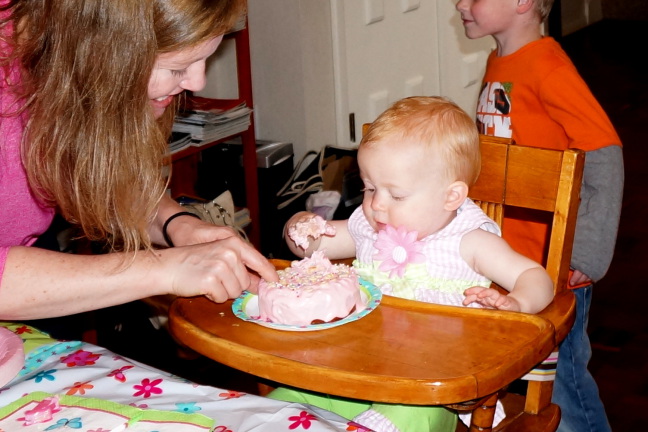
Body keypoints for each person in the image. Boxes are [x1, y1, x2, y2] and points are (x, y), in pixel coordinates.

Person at [0, 1, 365, 431]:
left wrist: (177, 225)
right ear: (101, 46)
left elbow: (105, 172)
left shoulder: (64, 60)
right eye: (179, 66)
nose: (198, 80)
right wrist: (160, 269)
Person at [271, 96, 555, 432]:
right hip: (352, 370)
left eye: (396, 195)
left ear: (451, 196)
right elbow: (312, 247)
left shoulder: (470, 241)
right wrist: (300, 229)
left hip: (430, 389)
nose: (376, 204)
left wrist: (517, 302)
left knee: (398, 421)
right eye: (369, 187)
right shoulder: (369, 225)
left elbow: (535, 276)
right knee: (277, 405)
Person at [455, 1, 624, 431]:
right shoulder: (500, 60)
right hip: (512, 262)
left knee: (561, 384)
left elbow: (605, 155)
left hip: (552, 268)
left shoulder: (548, 67)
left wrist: (583, 253)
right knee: (527, 378)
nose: (460, 4)